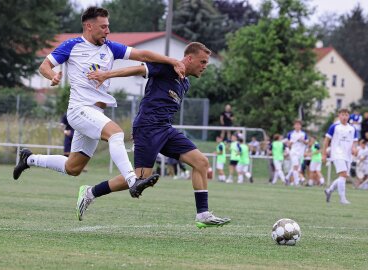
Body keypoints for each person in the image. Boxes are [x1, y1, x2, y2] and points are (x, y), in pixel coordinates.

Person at [12, 7, 187, 206]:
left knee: (73, 167)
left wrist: (171, 60)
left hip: (95, 113)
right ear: (89, 26)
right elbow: (44, 65)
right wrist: (52, 76)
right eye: (103, 27)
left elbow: (143, 55)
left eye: (108, 26)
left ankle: (29, 159)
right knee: (116, 133)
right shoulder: (72, 45)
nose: (107, 31)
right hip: (79, 110)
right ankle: (133, 181)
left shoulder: (110, 48)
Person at [81, 42, 231, 227]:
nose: (205, 66)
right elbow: (138, 69)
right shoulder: (168, 66)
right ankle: (91, 192)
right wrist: (106, 74)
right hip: (147, 127)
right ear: (189, 58)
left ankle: (203, 214)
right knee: (139, 179)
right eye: (202, 61)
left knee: (201, 162)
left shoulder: (185, 82)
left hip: (165, 129)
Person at [323, 108, 358, 204]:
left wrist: (355, 149)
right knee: (343, 174)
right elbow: (326, 140)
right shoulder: (334, 127)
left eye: (346, 115)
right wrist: (324, 154)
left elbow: (354, 142)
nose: (344, 117)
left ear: (348, 116)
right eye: (342, 115)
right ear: (339, 116)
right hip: (337, 154)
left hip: (348, 155)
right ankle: (342, 199)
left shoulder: (352, 128)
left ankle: (329, 190)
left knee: (344, 176)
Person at [286, 120, 308, 186]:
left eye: (299, 125)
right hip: (294, 152)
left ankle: (287, 177)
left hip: (301, 153)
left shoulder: (303, 134)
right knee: (295, 166)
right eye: (296, 125)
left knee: (298, 168)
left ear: (301, 126)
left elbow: (307, 143)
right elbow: (288, 144)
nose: (297, 126)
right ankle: (297, 182)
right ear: (294, 126)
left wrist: (303, 140)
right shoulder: (291, 134)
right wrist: (291, 143)